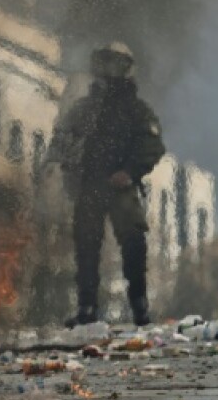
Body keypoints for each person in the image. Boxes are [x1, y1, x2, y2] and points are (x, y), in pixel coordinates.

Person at [48, 42, 165, 328]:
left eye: (116, 62)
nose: (110, 68)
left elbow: (153, 145)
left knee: (134, 242)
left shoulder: (136, 110)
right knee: (86, 247)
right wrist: (62, 166)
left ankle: (139, 305)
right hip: (90, 184)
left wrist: (129, 171)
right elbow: (61, 140)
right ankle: (87, 308)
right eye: (106, 62)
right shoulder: (84, 108)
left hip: (121, 186)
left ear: (126, 68)